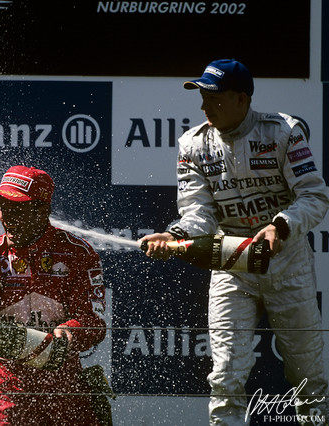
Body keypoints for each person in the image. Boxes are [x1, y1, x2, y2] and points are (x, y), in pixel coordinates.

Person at [140, 59, 329, 425]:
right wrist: (175, 235)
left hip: (287, 263)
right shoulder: (192, 144)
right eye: (202, 96)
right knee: (226, 372)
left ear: (242, 99)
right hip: (231, 265)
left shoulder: (283, 132)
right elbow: (198, 213)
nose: (204, 106)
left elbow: (314, 195)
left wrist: (280, 226)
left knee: (308, 376)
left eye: (214, 97)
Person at [0, 165, 108, 426]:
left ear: (42, 210)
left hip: (65, 387)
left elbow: (93, 321)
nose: (7, 217)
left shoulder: (78, 253)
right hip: (7, 387)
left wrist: (68, 332)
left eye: (18, 209)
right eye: (4, 207)